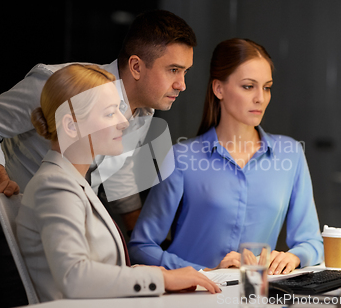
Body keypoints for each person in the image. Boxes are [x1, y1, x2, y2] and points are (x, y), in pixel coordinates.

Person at [0, 9, 196, 307]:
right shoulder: (62, 83)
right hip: (4, 211)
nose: (182, 84)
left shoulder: (142, 113)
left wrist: (147, 238)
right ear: (136, 66)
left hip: (67, 224)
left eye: (185, 72)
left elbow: (117, 173)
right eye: (174, 70)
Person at [16, 64, 220, 302]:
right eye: (110, 113)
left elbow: (100, 269)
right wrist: (162, 280)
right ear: (71, 126)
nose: (124, 121)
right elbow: (74, 277)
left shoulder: (73, 183)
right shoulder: (55, 187)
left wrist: (162, 273)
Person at [128, 38, 324, 275]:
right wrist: (206, 272)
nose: (260, 98)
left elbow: (312, 242)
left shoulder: (290, 154)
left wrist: (293, 257)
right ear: (219, 89)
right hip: (195, 298)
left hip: (255, 298)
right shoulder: (182, 158)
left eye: (267, 87)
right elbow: (141, 247)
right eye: (248, 86)